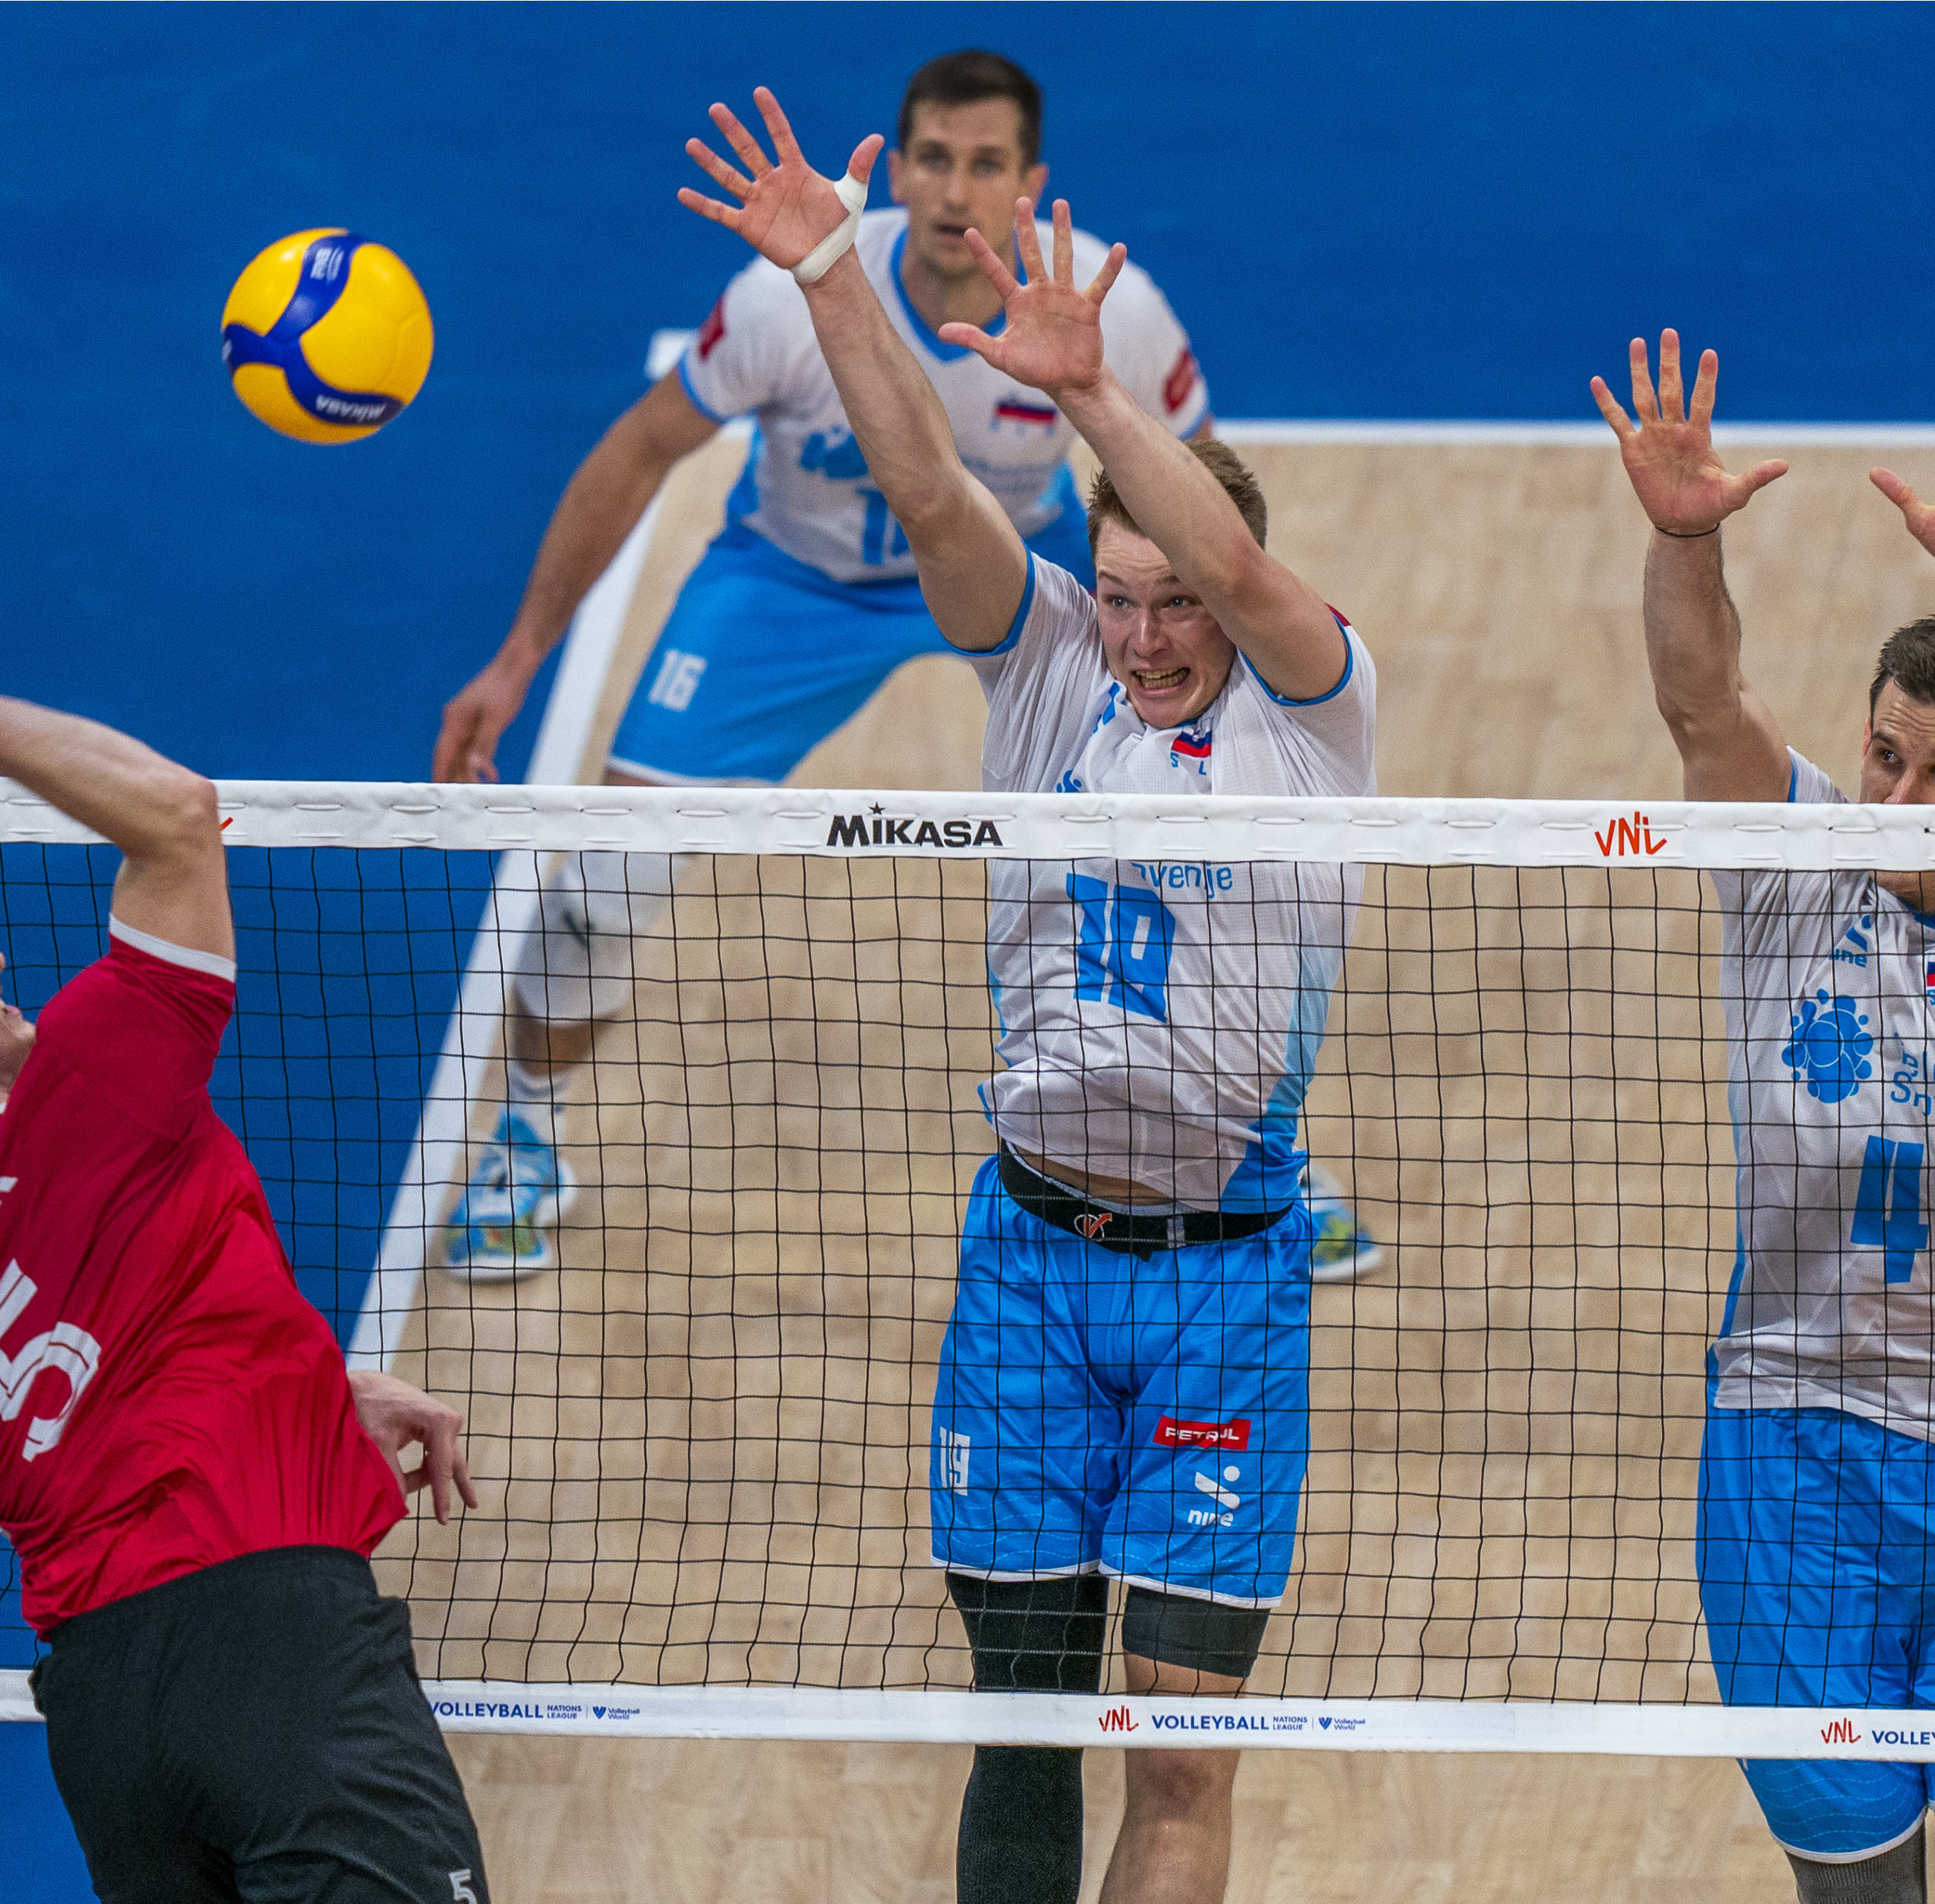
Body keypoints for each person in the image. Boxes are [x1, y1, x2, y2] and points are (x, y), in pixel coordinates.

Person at [679, 86, 1376, 1904]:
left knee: (1179, 1743)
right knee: (1026, 1721)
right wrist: (832, 276)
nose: (1144, 633)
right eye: (1120, 595)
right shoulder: (1053, 662)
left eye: (1174, 602)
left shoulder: (1317, 713)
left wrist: (1094, 400)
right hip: (1029, 1265)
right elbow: (928, 486)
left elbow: (1237, 563)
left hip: (1224, 1273)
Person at [427, 49, 1381, 1286]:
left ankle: (1259, 1150)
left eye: (987, 164)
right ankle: (525, 1140)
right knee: (607, 876)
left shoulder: (1109, 311)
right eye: (933, 157)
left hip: (1032, 571)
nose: (955, 189)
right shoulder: (783, 301)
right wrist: (517, 660)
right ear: (902, 167)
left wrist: (1244, 694)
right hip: (793, 585)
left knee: (1223, 858)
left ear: (1029, 181)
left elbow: (1214, 513)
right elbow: (639, 450)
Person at [0, 559, 490, 1904]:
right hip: (283, 1658)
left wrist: (313, 1394)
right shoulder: (91, 1081)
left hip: (109, 1734)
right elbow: (177, 819)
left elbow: (104, 1431)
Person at [1593, 332, 1935, 1904]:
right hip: (1787, 1451)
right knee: (1856, 1893)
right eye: (1887, 757)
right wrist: (1682, 540)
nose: (1901, 799)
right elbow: (1703, 702)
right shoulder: (1799, 865)